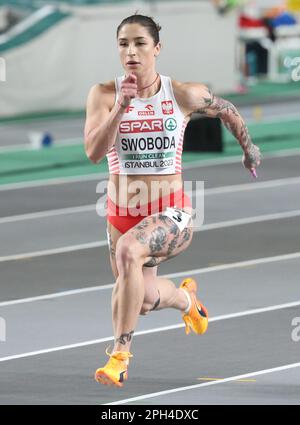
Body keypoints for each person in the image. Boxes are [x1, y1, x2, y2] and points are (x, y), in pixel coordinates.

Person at [84, 14, 261, 388]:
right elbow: (94, 153)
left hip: (171, 214)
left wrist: (249, 149)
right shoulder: (103, 94)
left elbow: (226, 109)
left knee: (131, 253)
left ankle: (119, 356)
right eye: (123, 44)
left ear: (156, 48)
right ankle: (186, 300)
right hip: (121, 216)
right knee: (144, 300)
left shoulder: (181, 93)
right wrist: (120, 107)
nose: (131, 51)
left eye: (139, 43)